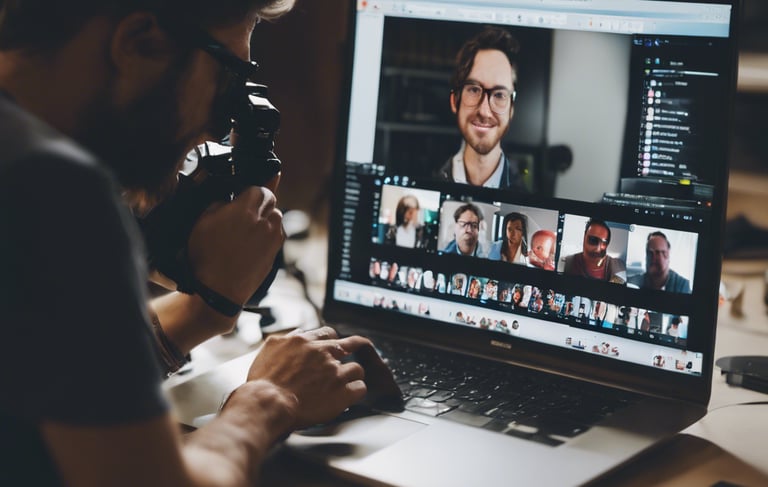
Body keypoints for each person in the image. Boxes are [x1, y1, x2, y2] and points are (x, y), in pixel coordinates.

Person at [0, 1, 397, 485]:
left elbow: (53, 360)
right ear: (140, 43)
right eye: (229, 81)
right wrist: (270, 399)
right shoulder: (54, 190)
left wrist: (205, 309)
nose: (217, 128)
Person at [434, 26, 528, 191]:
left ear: (511, 109)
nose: (484, 111)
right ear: (454, 101)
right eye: (474, 90)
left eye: (499, 95)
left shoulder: (529, 200)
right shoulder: (429, 185)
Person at [563, 219, 626, 284]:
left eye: (604, 243)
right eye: (593, 240)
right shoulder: (568, 262)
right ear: (584, 236)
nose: (598, 249)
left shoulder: (616, 264)